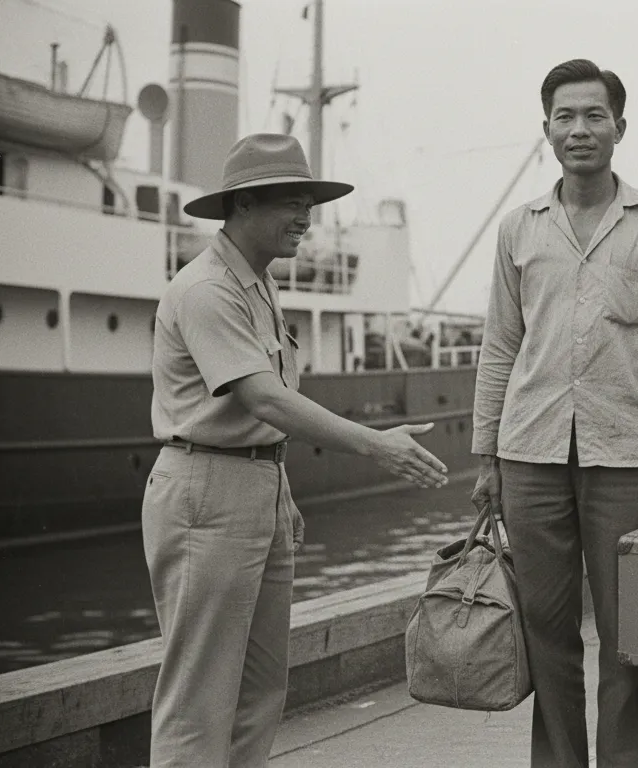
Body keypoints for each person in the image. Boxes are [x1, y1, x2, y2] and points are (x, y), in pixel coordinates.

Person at [144, 133, 449, 767]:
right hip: (206, 492)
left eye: (310, 201)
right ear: (243, 206)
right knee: (198, 699)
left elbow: (265, 417)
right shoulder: (207, 290)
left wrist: (279, 494)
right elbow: (266, 400)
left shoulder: (256, 283)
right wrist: (376, 446)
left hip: (254, 488)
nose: (307, 217)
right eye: (291, 201)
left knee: (260, 690)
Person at [471, 59, 638, 768]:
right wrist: (486, 456)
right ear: (546, 130)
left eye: (593, 115)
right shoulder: (519, 229)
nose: (579, 129)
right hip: (530, 454)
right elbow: (499, 345)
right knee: (547, 632)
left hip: (626, 455)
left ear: (619, 128)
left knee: (630, 632)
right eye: (565, 117)